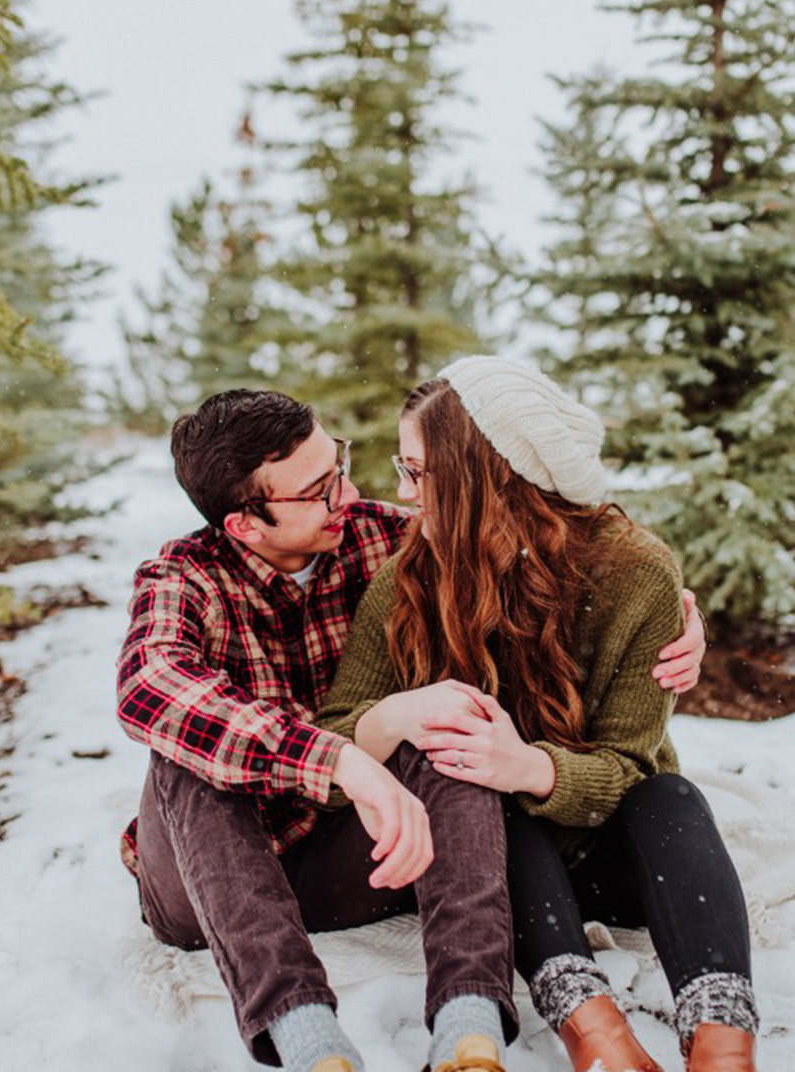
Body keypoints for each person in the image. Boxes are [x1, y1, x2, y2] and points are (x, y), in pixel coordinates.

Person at [115, 389, 706, 1072]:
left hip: (353, 857)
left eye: (337, 463)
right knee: (186, 759)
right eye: (317, 490)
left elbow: (528, 557)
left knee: (451, 725)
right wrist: (342, 759)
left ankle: (468, 1026)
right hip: (206, 879)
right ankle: (308, 1037)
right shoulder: (183, 578)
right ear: (246, 523)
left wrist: (674, 619)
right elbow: (148, 688)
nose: (349, 491)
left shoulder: (385, 537)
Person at [316, 357, 757, 1072]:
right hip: (492, 872)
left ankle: (722, 1047)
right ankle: (597, 1038)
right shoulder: (408, 580)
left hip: (612, 858)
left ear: (487, 473)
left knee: (672, 797)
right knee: (489, 808)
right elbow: (330, 742)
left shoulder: (634, 571)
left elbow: (632, 764)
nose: (401, 494)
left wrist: (529, 765)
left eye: (418, 472)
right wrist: (399, 712)